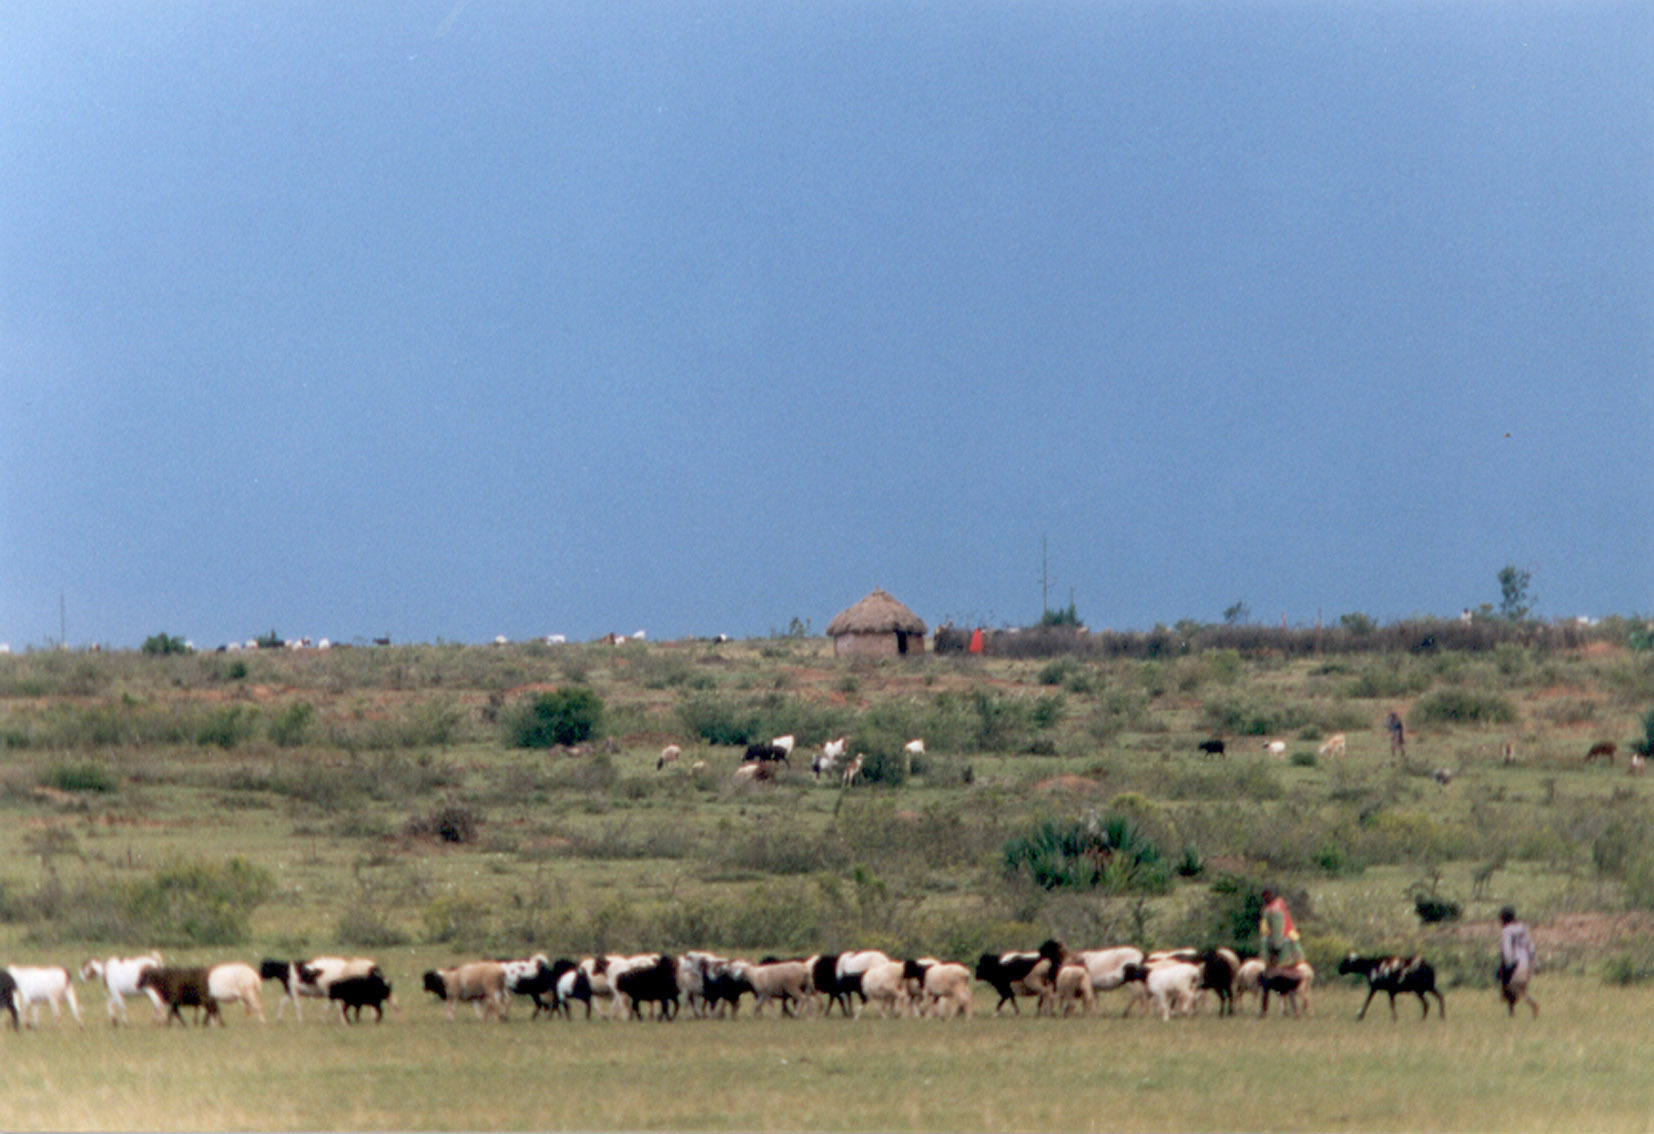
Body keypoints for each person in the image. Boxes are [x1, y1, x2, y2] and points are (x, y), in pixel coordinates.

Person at [1497, 906, 1539, 1017]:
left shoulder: (1506, 931)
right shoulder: (1522, 928)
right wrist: (1533, 962)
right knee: (1519, 989)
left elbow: (1506, 949)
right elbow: (1530, 946)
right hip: (1526, 960)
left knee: (1511, 988)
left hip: (1514, 962)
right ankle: (1512, 1012)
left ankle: (1530, 1005)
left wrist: (1506, 963)